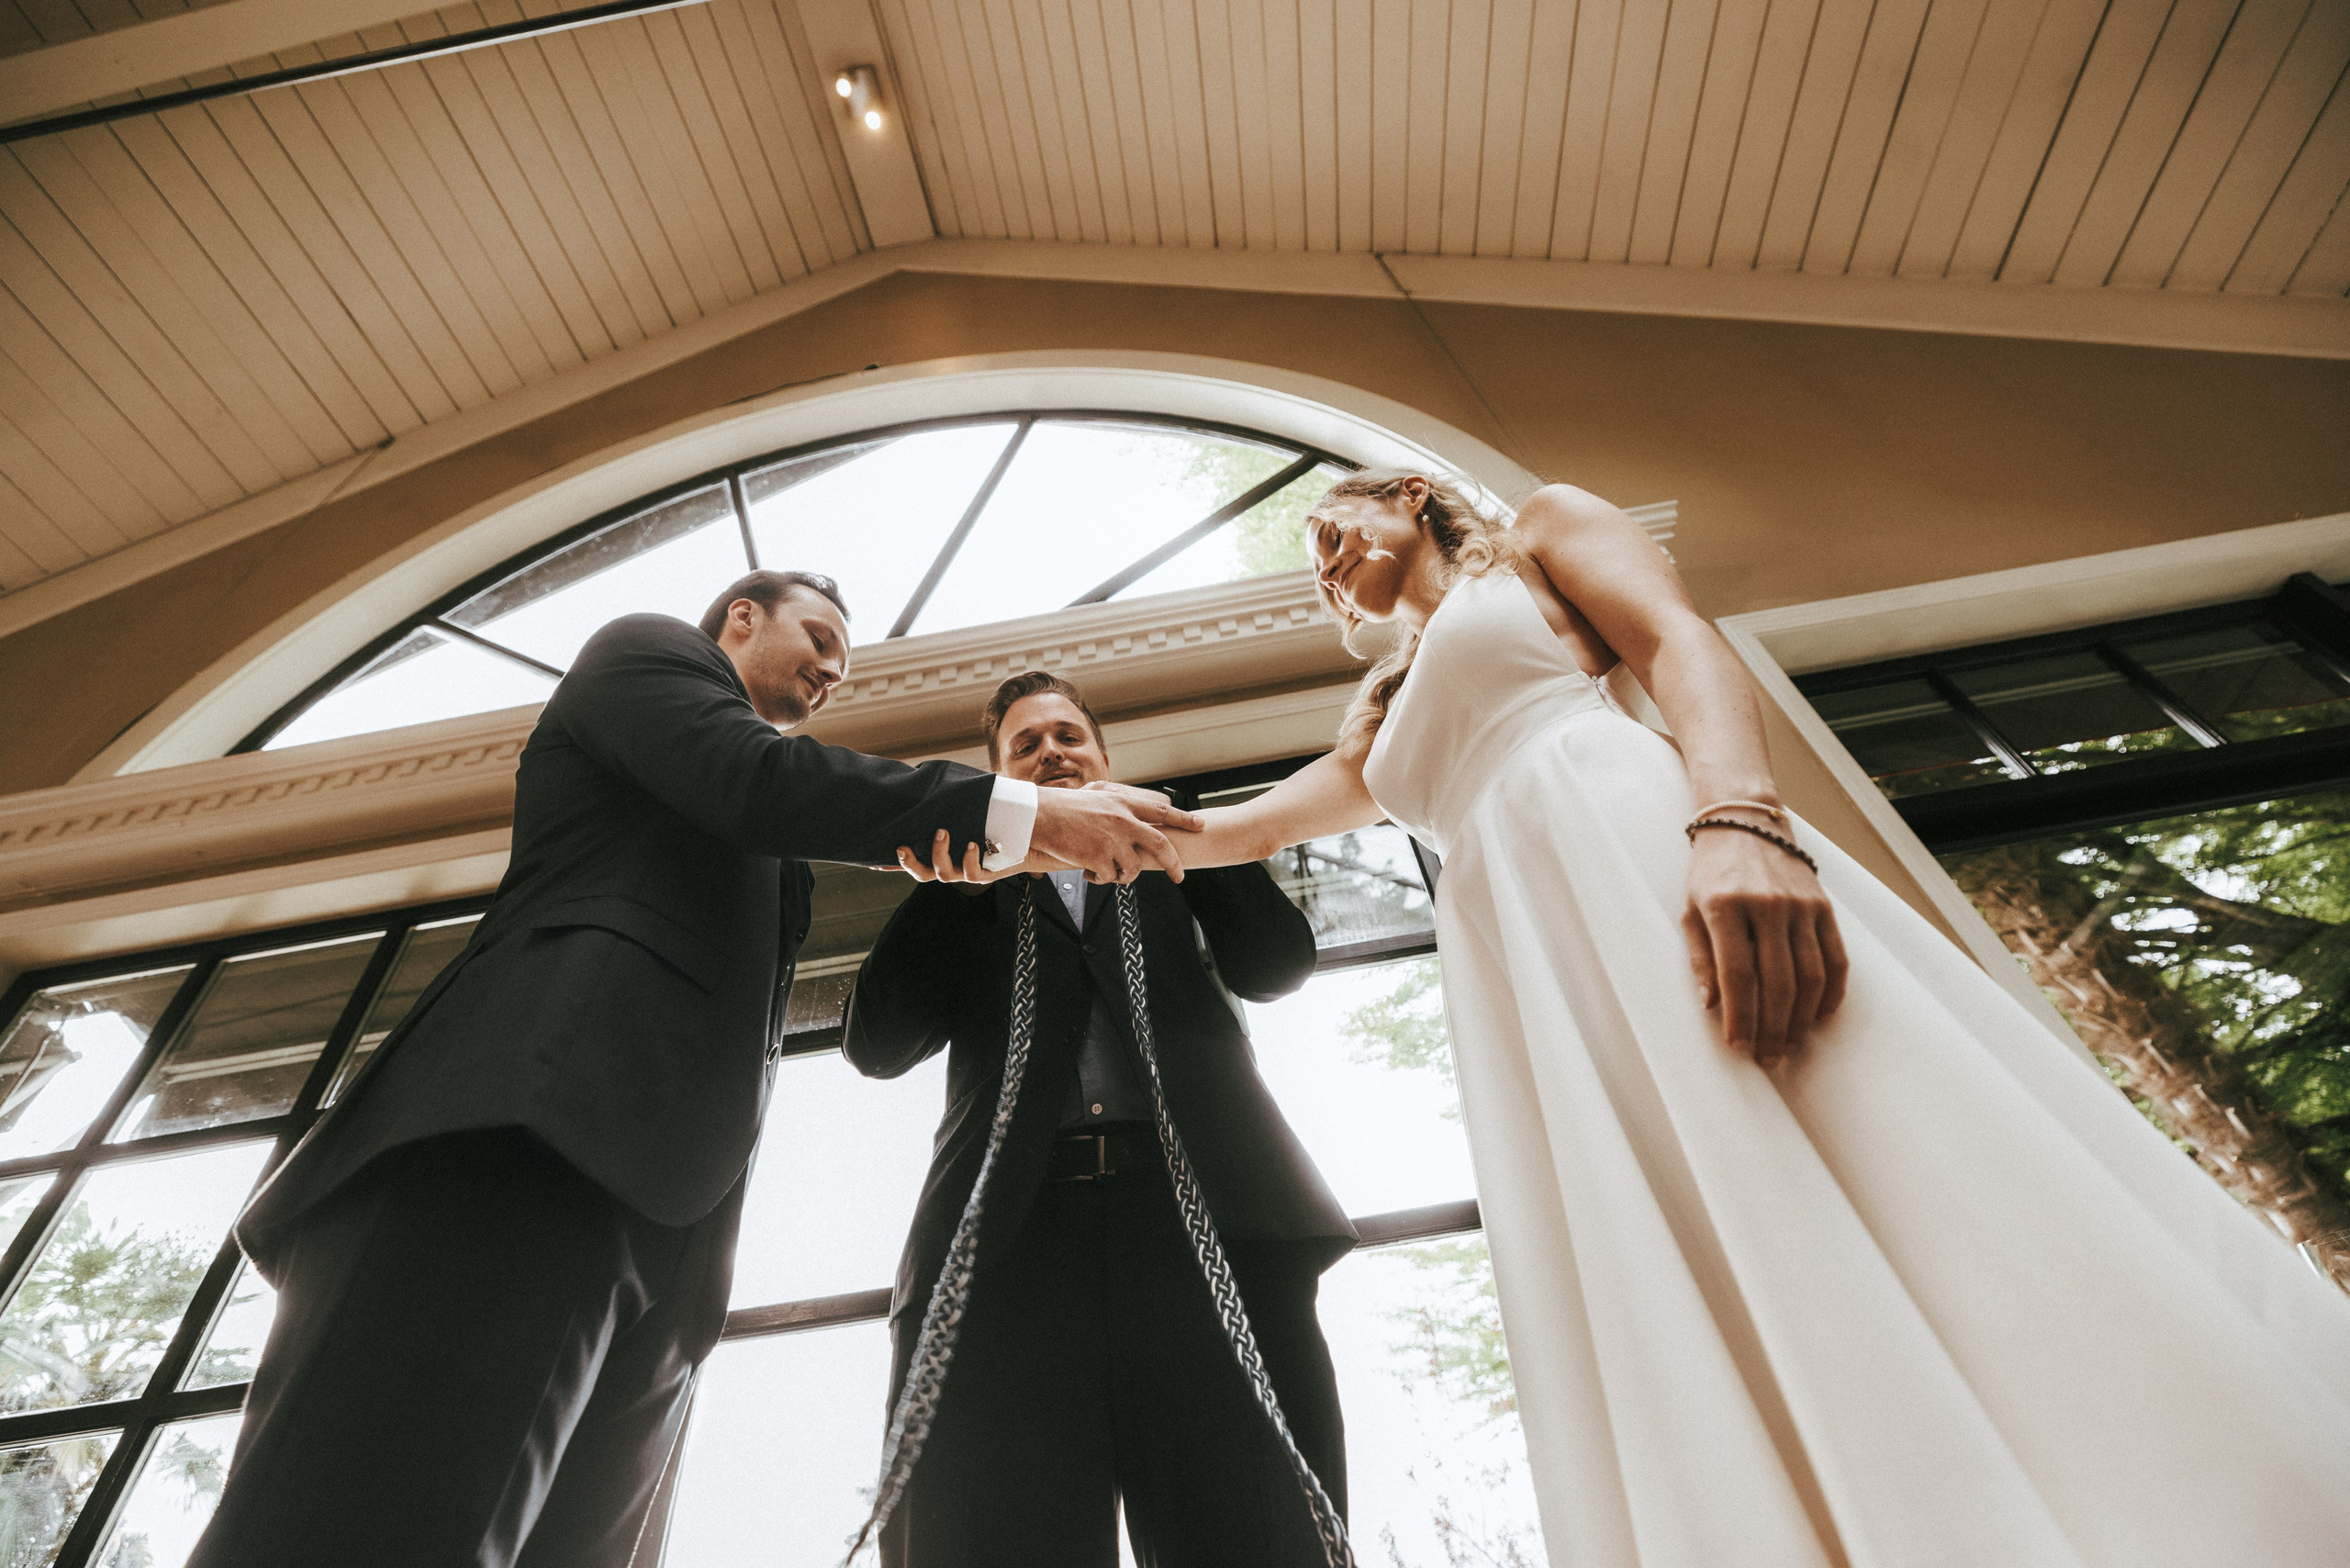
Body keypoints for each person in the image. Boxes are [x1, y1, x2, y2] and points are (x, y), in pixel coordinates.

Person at [912, 475, 2350, 1566]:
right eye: (1311, 566)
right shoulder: (1379, 709)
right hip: (1527, 956)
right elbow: (1232, 837)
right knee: (1671, 1217)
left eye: (1333, 531)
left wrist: (1740, 820)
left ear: (1407, 498)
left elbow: (1681, 646)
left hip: (1631, 839)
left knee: (1843, 1125)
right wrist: (1029, 821)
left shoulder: (1542, 532)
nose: (1327, 566)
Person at [189, 572, 1200, 1568]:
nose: (831, 667)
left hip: (667, 1238)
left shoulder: (776, 851)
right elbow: (755, 782)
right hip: (515, 1138)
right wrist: (1017, 817)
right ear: (741, 618)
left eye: (841, 661)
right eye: (816, 636)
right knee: (380, 1524)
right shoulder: (645, 653)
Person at [847, 671, 1355, 1566]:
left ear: (1106, 757)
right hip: (1010, 1246)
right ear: (1000, 778)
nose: (1052, 752)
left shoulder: (1175, 857)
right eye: (1027, 746)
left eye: (1068, 737)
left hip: (1200, 1229)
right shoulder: (970, 889)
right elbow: (877, 1045)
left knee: (1252, 1527)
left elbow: (1276, 965)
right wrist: (960, 883)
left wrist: (1183, 838)